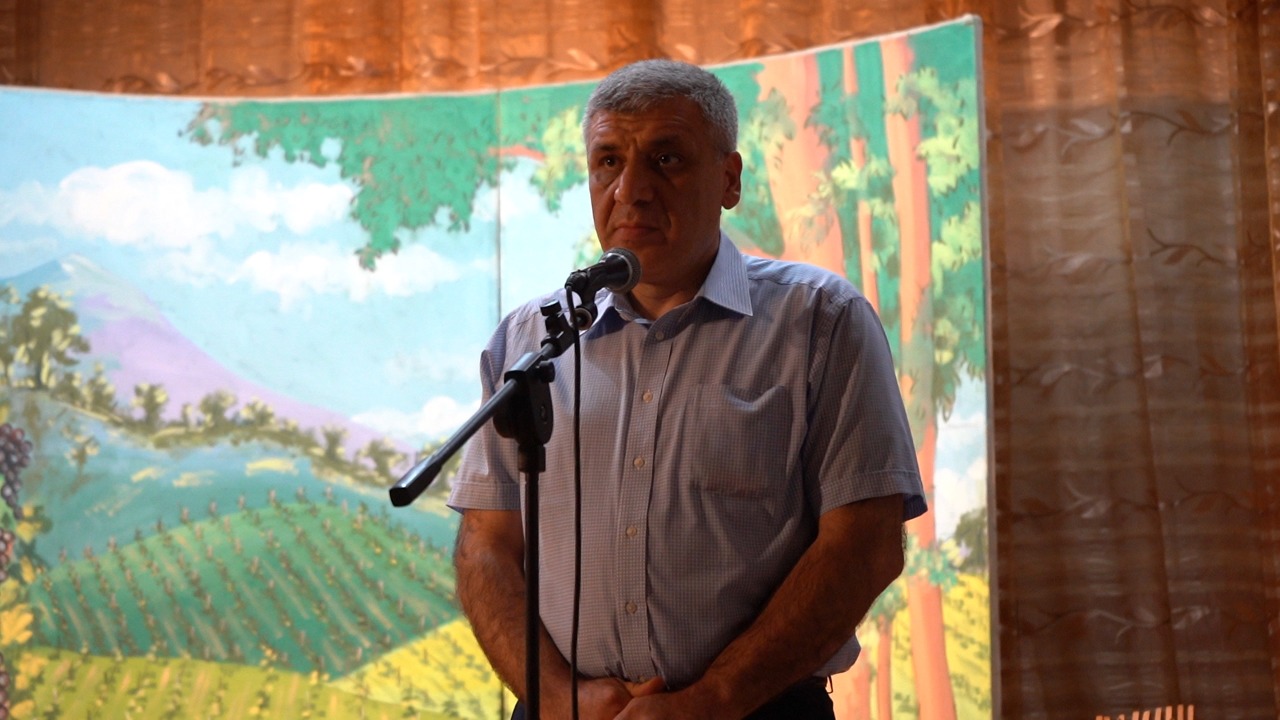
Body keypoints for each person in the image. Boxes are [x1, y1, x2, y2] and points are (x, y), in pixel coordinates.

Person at [447, 58, 926, 720]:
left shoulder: (821, 321)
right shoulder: (531, 338)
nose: (631, 190)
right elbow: (486, 544)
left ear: (729, 179)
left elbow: (866, 544)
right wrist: (557, 698)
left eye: (665, 159)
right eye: (608, 162)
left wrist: (712, 700)